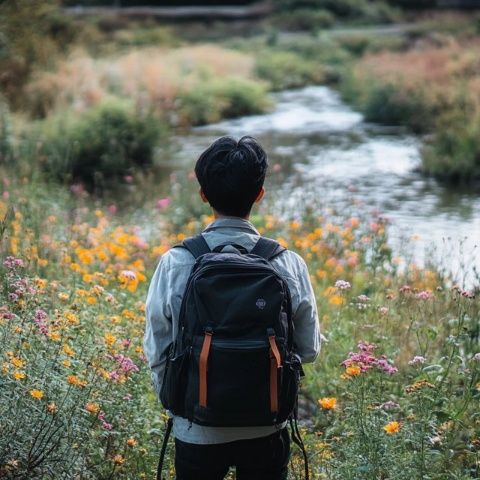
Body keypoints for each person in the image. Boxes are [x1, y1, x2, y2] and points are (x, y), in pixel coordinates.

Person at [144, 135, 321, 480]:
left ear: (203, 194)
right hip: (266, 426)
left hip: (195, 427)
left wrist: (179, 407)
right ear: (259, 195)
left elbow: (157, 349)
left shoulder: (176, 262)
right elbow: (309, 350)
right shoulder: (288, 263)